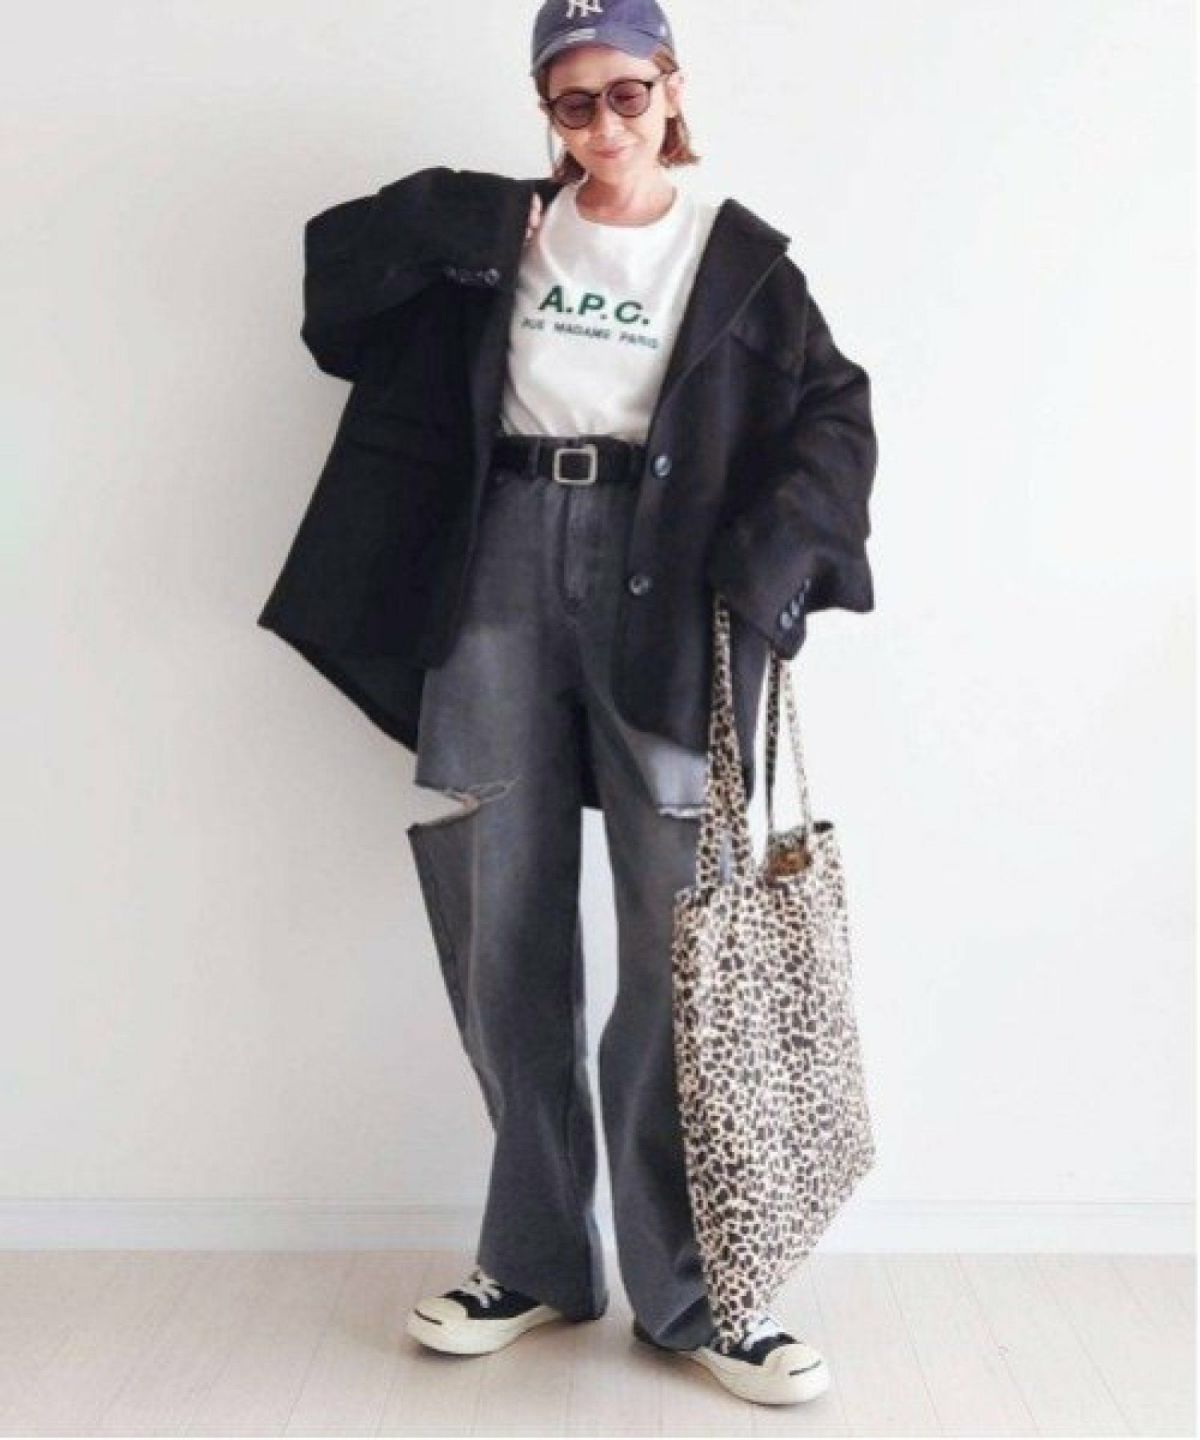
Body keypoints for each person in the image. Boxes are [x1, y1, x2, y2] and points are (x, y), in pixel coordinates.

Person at [259, 0, 877, 1409]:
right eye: (572, 102)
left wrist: (770, 565)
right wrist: (478, 216)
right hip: (499, 566)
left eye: (627, 94)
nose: (605, 126)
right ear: (545, 110)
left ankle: (696, 1293)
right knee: (505, 920)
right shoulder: (503, 238)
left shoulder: (739, 261)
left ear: (674, 89)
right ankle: (533, 1260)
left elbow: (835, 418)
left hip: (671, 588)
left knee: (677, 937)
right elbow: (333, 292)